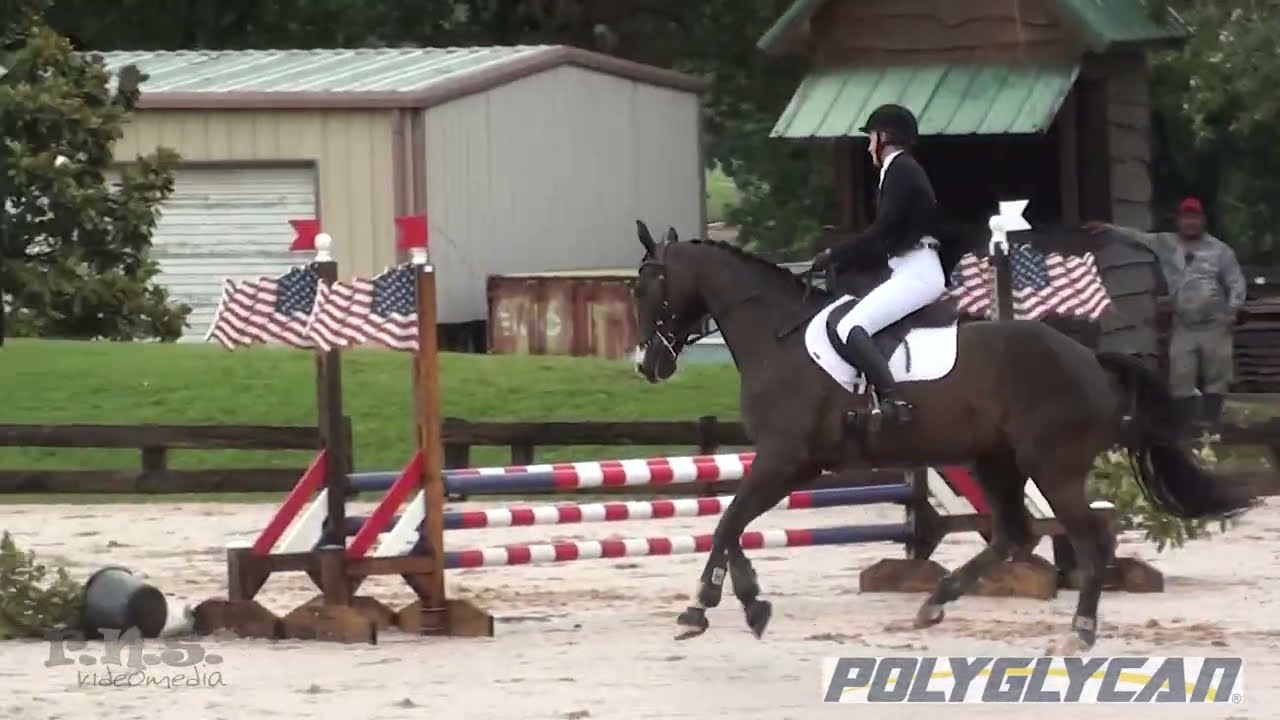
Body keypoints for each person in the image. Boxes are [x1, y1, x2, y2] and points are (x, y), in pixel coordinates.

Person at [810, 103, 952, 424]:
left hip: (918, 270)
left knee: (851, 326)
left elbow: (882, 230)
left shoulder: (901, 168)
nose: (868, 145)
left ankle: (893, 401)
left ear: (884, 137)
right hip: (907, 266)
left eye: (871, 137)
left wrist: (835, 255)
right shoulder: (900, 169)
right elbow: (889, 234)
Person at [1085, 197, 1246, 426]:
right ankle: (1187, 427)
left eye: (1195, 218)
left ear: (1203, 221)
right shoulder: (1165, 243)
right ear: (1178, 221)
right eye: (1185, 218)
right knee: (1181, 374)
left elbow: (1236, 282)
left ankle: (1212, 427)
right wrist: (1109, 229)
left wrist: (1233, 310)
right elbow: (1137, 237)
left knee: (1217, 376)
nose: (1190, 223)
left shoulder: (1220, 250)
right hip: (1183, 325)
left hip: (1215, 324)